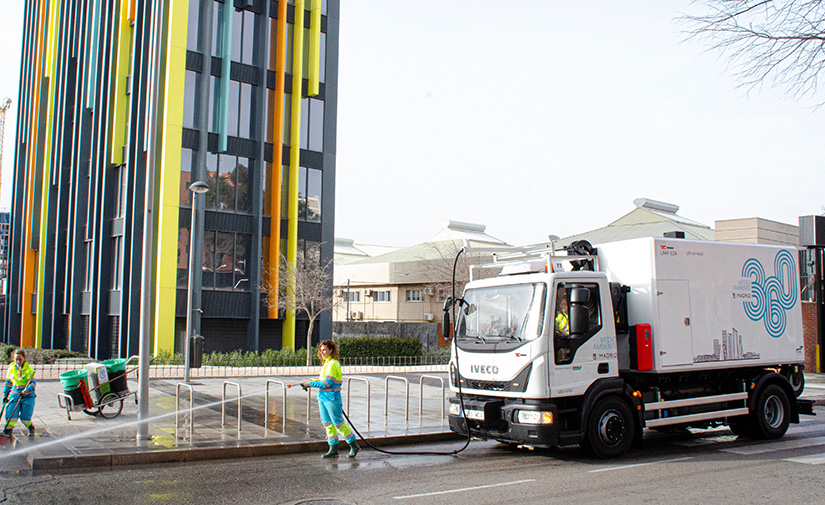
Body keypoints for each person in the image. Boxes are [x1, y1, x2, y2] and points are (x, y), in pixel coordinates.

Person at [301, 340, 360, 459]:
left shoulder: (333, 364)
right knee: (328, 424)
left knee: (338, 423)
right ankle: (333, 449)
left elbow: (328, 383)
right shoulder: (327, 364)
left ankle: (354, 445)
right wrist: (311, 381)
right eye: (320, 350)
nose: (322, 352)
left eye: (324, 350)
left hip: (332, 399)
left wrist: (310, 384)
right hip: (323, 398)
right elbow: (322, 380)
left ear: (331, 350)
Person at [3, 349, 37, 439]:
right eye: (16, 359)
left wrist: (26, 391)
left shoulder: (29, 370)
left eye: (20, 360)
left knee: (25, 417)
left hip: (27, 396)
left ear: (24, 359)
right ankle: (8, 433)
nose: (18, 362)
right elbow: (8, 383)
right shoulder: (11, 370)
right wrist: (5, 395)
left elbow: (32, 384)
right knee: (10, 415)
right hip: (14, 395)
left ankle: (30, 428)